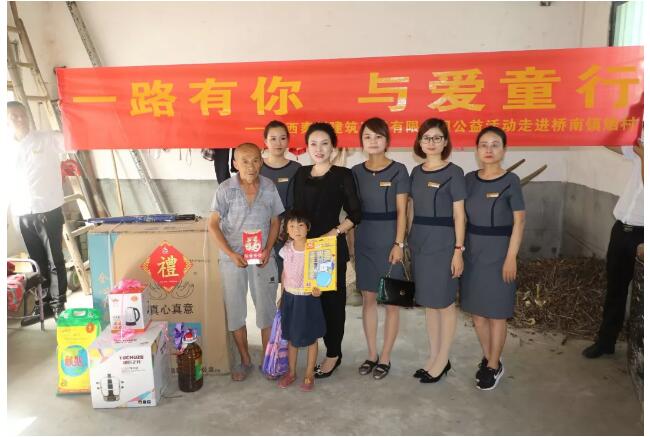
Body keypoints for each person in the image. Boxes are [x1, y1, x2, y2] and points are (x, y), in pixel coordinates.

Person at [208, 142, 284, 381]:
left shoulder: (269, 187)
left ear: (261, 162)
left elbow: (275, 221)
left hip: (262, 257)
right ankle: (245, 360)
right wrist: (231, 254)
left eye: (255, 160)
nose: (250, 166)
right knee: (235, 310)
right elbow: (212, 225)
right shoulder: (225, 189)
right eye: (244, 161)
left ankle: (268, 360)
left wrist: (268, 249)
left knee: (266, 310)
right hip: (233, 259)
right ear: (235, 164)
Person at [292, 122, 362, 378]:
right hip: (303, 247)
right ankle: (312, 350)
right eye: (313, 143)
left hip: (328, 250)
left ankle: (333, 353)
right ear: (307, 147)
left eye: (324, 143)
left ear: (333, 147)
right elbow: (295, 211)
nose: (319, 149)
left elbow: (356, 213)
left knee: (332, 304)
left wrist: (335, 232)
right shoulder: (301, 173)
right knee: (308, 302)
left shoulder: (343, 175)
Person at [460, 126, 526, 391]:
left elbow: (519, 222)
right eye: (483, 145)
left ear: (504, 150)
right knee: (477, 314)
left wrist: (511, 257)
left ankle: (493, 364)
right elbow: (460, 215)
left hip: (500, 253)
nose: (488, 150)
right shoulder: (469, 180)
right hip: (473, 252)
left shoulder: (511, 181)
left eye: (495, 144)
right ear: (477, 150)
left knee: (497, 313)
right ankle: (490, 359)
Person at [408, 118, 466, 384]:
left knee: (445, 302)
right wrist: (407, 240)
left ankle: (443, 359)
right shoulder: (416, 172)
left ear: (445, 142)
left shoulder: (454, 172)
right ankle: (434, 356)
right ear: (420, 142)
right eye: (427, 138)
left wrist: (458, 249)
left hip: (444, 242)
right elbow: (411, 208)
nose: (431, 142)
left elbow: (459, 214)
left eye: (437, 138)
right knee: (430, 302)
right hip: (420, 241)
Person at [351, 118, 409, 380]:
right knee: (369, 299)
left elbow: (402, 211)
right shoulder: (355, 172)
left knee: (392, 302)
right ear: (361, 142)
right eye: (367, 137)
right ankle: (372, 354)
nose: (373, 141)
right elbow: (352, 212)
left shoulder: (399, 170)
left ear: (387, 140)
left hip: (390, 243)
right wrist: (352, 247)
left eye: (378, 136)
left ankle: (385, 356)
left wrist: (399, 243)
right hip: (364, 240)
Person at [582, 133, 644, 358]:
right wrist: (603, 124)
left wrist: (643, 154)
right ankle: (606, 341)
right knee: (615, 289)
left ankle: (640, 351)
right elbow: (608, 141)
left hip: (643, 236)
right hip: (622, 230)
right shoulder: (640, 152)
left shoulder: (643, 155)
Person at [7, 101, 68, 325]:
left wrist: (67, 111)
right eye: (13, 116)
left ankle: (59, 304)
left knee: (54, 260)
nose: (20, 119)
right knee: (36, 262)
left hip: (48, 210)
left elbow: (74, 141)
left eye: (22, 114)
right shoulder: (6, 148)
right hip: (22, 212)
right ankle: (44, 306)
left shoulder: (47, 139)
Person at [276, 210, 326, 391]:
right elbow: (284, 273)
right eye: (291, 226)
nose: (296, 229)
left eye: (300, 225)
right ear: (287, 229)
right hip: (290, 298)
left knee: (311, 337)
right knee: (291, 336)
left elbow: (323, 274)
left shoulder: (315, 249)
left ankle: (309, 374)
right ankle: (291, 372)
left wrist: (320, 289)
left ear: (308, 228)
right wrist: (282, 295)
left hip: (308, 299)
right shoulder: (285, 249)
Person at [259, 120, 301, 277]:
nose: (278, 143)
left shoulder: (296, 168)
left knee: (288, 274)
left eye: (283, 138)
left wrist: (287, 227)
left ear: (288, 141)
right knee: (264, 273)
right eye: (273, 139)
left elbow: (299, 202)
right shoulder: (257, 167)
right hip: (262, 228)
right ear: (265, 141)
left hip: (288, 230)